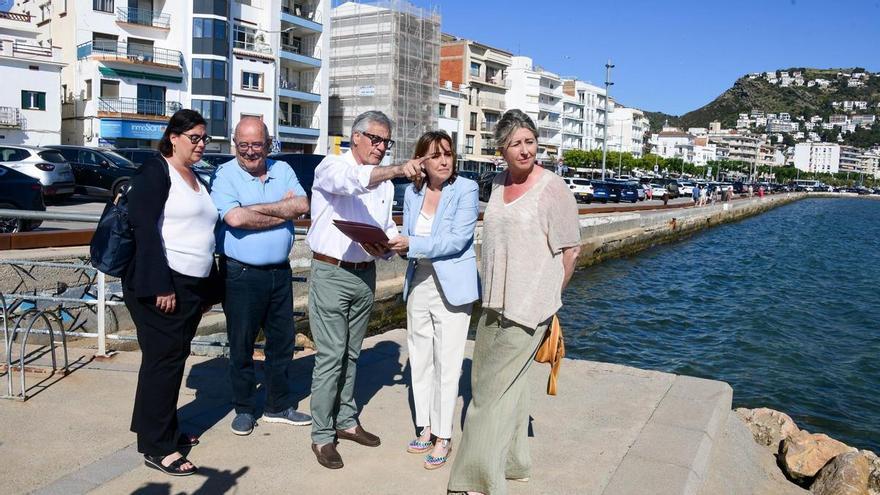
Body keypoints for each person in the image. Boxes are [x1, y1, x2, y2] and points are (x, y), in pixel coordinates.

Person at [447, 109, 581, 495]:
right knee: (512, 388)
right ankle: (514, 464)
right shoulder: (499, 183)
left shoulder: (552, 187)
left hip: (529, 305)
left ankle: (477, 480)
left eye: (529, 141)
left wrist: (549, 297)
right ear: (501, 150)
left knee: (487, 394)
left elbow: (571, 251)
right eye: (515, 144)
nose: (525, 150)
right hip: (494, 301)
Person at [306, 110, 422, 469]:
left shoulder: (385, 187)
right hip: (331, 271)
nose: (381, 147)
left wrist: (391, 245)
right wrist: (399, 168)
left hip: (364, 272)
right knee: (330, 356)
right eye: (376, 139)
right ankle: (322, 435)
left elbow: (384, 225)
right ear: (355, 136)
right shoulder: (331, 166)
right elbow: (353, 181)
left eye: (387, 142)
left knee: (352, 353)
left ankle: (346, 420)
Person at [123, 109, 219, 476]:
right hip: (161, 284)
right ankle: (157, 446)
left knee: (172, 359)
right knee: (162, 362)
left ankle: (163, 429)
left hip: (190, 286)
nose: (200, 144)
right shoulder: (155, 171)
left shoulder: (193, 175)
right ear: (173, 137)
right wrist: (161, 284)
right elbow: (144, 230)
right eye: (194, 137)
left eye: (204, 138)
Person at [210, 117, 312, 436]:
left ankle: (277, 406)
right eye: (244, 145)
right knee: (241, 345)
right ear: (234, 144)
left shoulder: (282, 169)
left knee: (282, 343)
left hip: (279, 273)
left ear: (268, 144)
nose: (251, 152)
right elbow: (235, 218)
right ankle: (243, 408)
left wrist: (257, 210)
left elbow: (303, 205)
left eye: (257, 144)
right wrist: (281, 212)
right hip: (240, 274)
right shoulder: (225, 174)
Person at [385, 131, 479, 470]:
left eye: (448, 154)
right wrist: (389, 246)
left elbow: (456, 240)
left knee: (448, 361)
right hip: (419, 281)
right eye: (435, 154)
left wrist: (410, 243)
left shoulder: (465, 189)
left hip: (451, 284)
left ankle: (444, 435)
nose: (443, 160)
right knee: (420, 357)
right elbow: (407, 236)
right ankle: (424, 427)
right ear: (421, 160)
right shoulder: (413, 192)